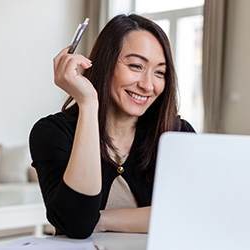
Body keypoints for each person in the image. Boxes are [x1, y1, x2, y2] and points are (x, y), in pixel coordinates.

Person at [29, 14, 196, 239]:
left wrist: (103, 219)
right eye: (136, 66)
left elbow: (191, 213)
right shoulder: (52, 132)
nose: (147, 85)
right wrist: (88, 104)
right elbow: (76, 223)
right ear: (105, 63)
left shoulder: (176, 133)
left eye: (159, 72)